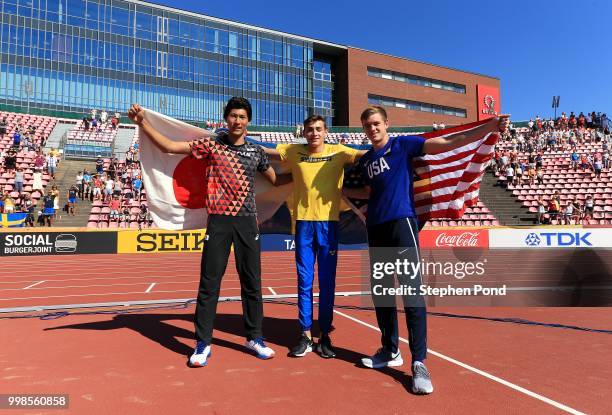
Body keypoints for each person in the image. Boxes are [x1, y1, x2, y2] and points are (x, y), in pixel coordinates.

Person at [345, 105, 508, 395]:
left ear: (386, 124)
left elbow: (446, 142)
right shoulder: (367, 160)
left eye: (376, 123)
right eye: (367, 125)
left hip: (402, 224)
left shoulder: (402, 144)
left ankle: (419, 362)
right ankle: (389, 350)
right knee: (381, 292)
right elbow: (370, 193)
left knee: (411, 292)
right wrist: (341, 192)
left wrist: (488, 126)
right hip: (376, 227)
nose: (372, 128)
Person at [128, 97, 289, 367]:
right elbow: (169, 147)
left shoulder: (256, 152)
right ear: (226, 118)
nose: (237, 121)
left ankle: (255, 338)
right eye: (233, 116)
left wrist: (309, 173)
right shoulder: (212, 145)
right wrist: (143, 123)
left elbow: (275, 180)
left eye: (242, 117)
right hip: (219, 222)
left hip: (248, 221)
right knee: (209, 284)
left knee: (252, 283)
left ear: (248, 121)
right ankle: (203, 343)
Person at [262, 115, 365, 358]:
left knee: (327, 283)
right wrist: (231, 139)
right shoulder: (294, 151)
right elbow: (267, 152)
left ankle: (325, 335)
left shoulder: (340, 151)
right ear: (304, 132)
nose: (314, 133)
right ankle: (305, 334)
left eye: (318, 129)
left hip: (329, 225)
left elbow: (368, 155)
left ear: (326, 131)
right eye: (310, 129)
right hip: (304, 225)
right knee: (304, 280)